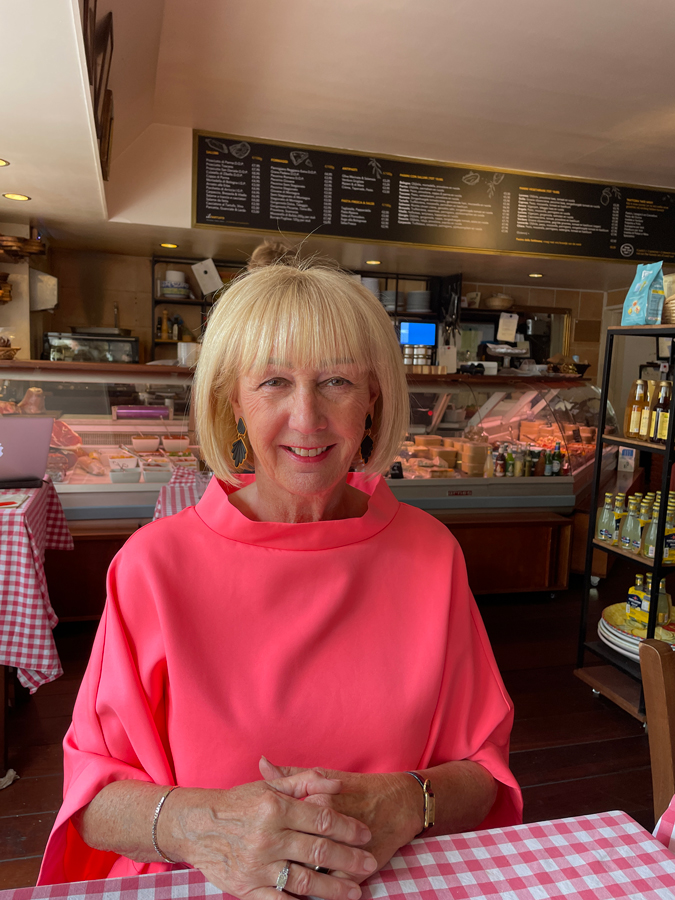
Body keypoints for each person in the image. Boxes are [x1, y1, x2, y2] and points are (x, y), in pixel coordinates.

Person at [39, 260, 522, 898]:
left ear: (372, 397)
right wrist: (199, 825)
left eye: (336, 382)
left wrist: (408, 799)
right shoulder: (151, 566)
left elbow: (484, 774)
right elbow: (94, 802)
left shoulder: (433, 554)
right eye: (272, 382)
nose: (307, 418)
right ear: (232, 402)